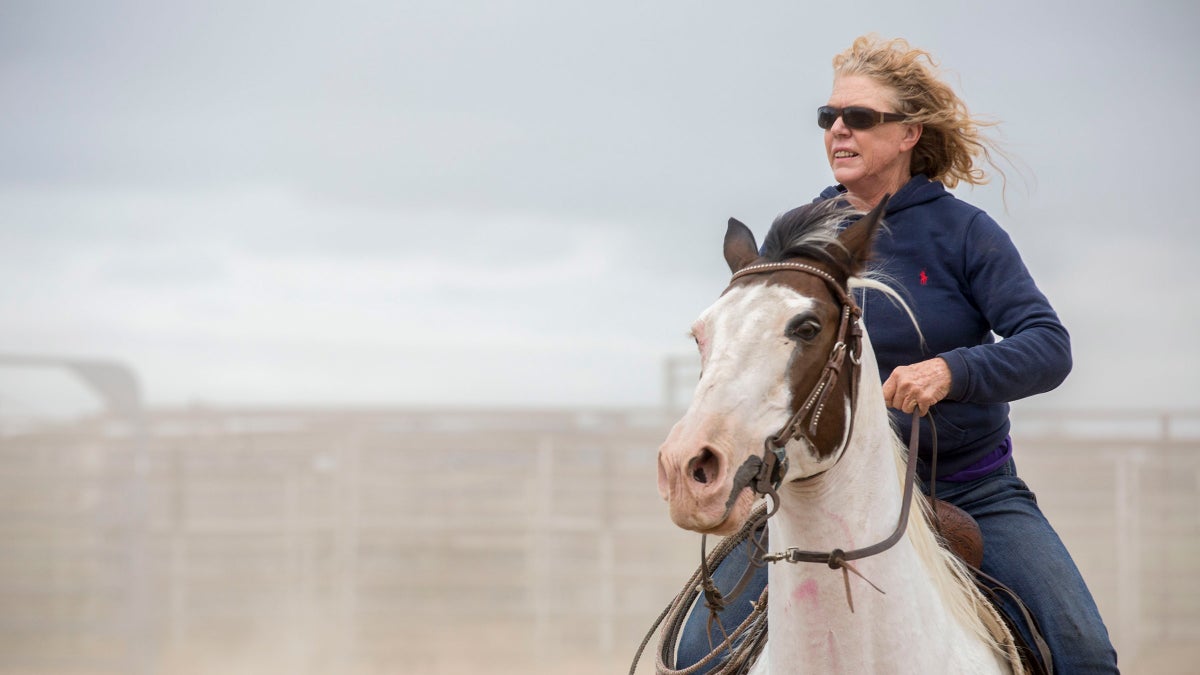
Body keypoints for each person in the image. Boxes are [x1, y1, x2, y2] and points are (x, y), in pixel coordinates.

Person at [676, 35, 1118, 673]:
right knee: (694, 657)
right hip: (814, 491)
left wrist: (952, 370)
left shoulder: (965, 233)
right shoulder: (796, 234)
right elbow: (751, 352)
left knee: (1084, 653)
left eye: (860, 117)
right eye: (829, 118)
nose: (838, 131)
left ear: (909, 133)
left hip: (968, 491)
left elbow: (1048, 346)